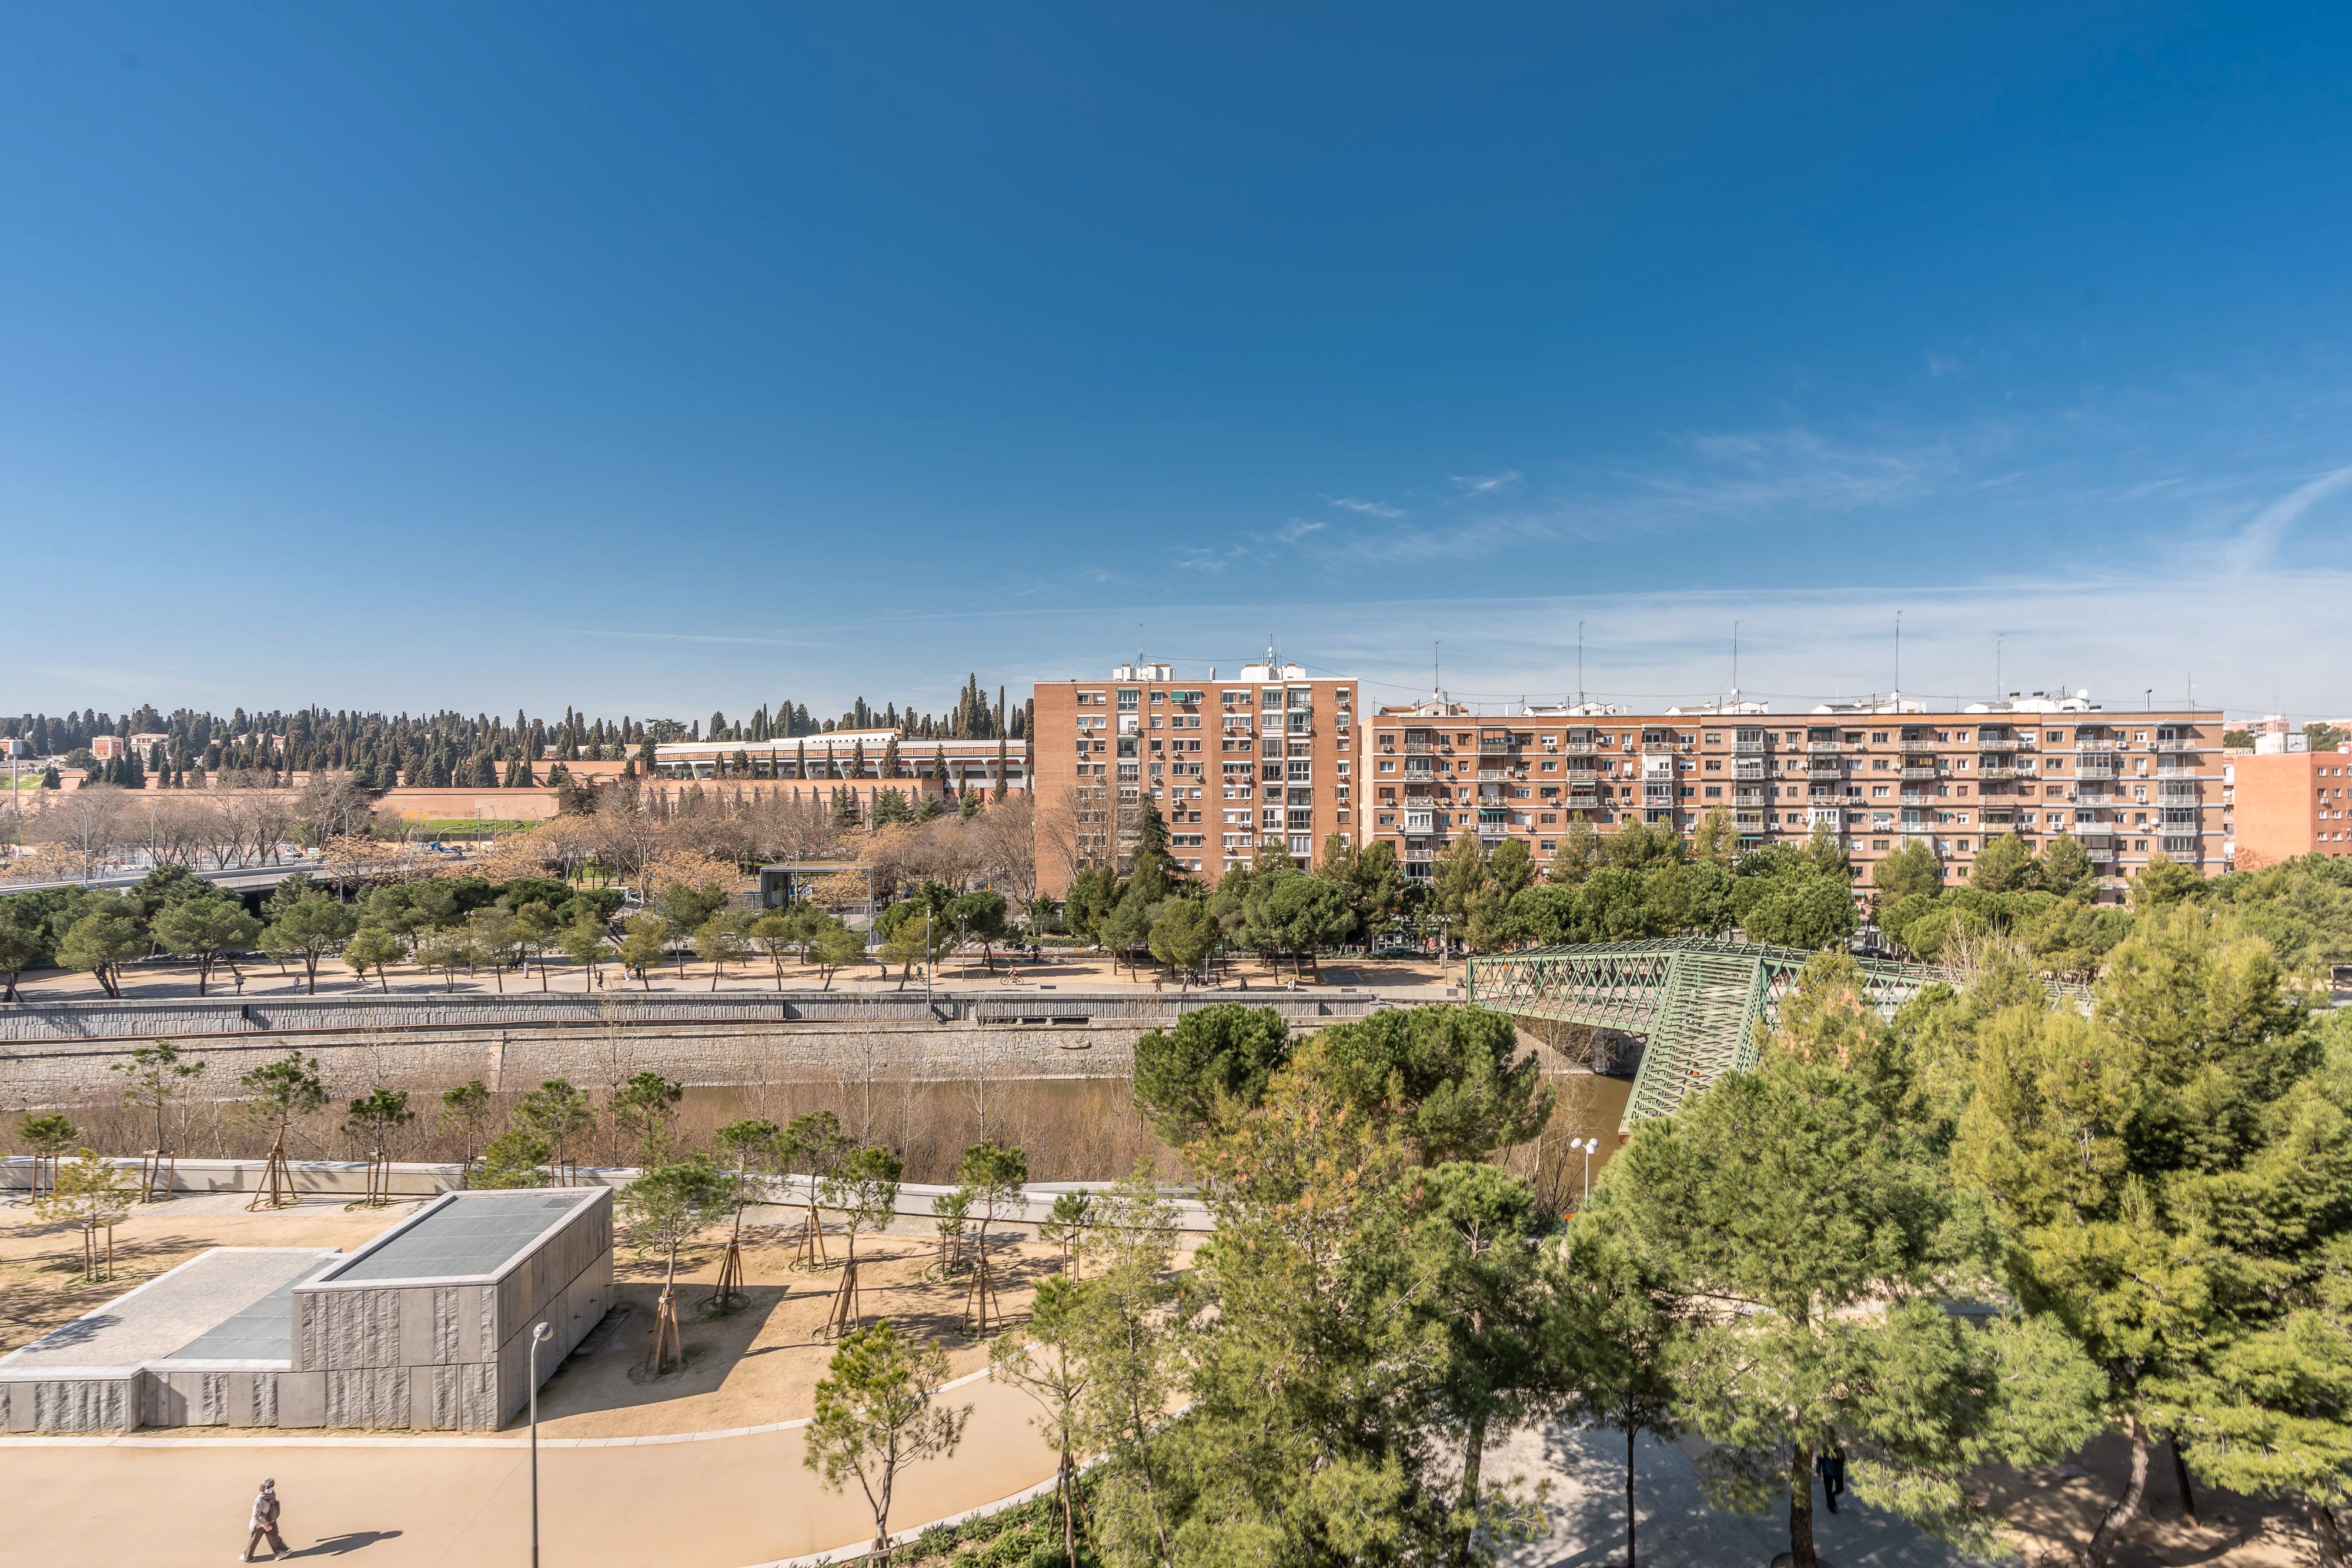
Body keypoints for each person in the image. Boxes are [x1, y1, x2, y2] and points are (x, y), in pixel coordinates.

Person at [241, 1477, 288, 1560]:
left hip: (270, 1521)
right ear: (263, 1489)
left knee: (274, 1537)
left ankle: (281, 1552)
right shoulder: (259, 1501)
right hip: (260, 1524)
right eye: (268, 1488)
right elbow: (255, 1517)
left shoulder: (272, 1496)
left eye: (272, 1486)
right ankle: (247, 1557)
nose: (271, 1489)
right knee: (254, 1541)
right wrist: (265, 1525)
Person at [1816, 1445, 1846, 1514]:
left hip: (1838, 1473)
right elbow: (1819, 1461)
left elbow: (1844, 1459)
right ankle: (1831, 1505)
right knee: (1828, 1490)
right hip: (1827, 1473)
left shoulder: (1839, 1450)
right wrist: (1818, 1472)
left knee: (1840, 1488)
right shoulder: (1823, 1451)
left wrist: (1842, 1456)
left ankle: (1832, 1497)